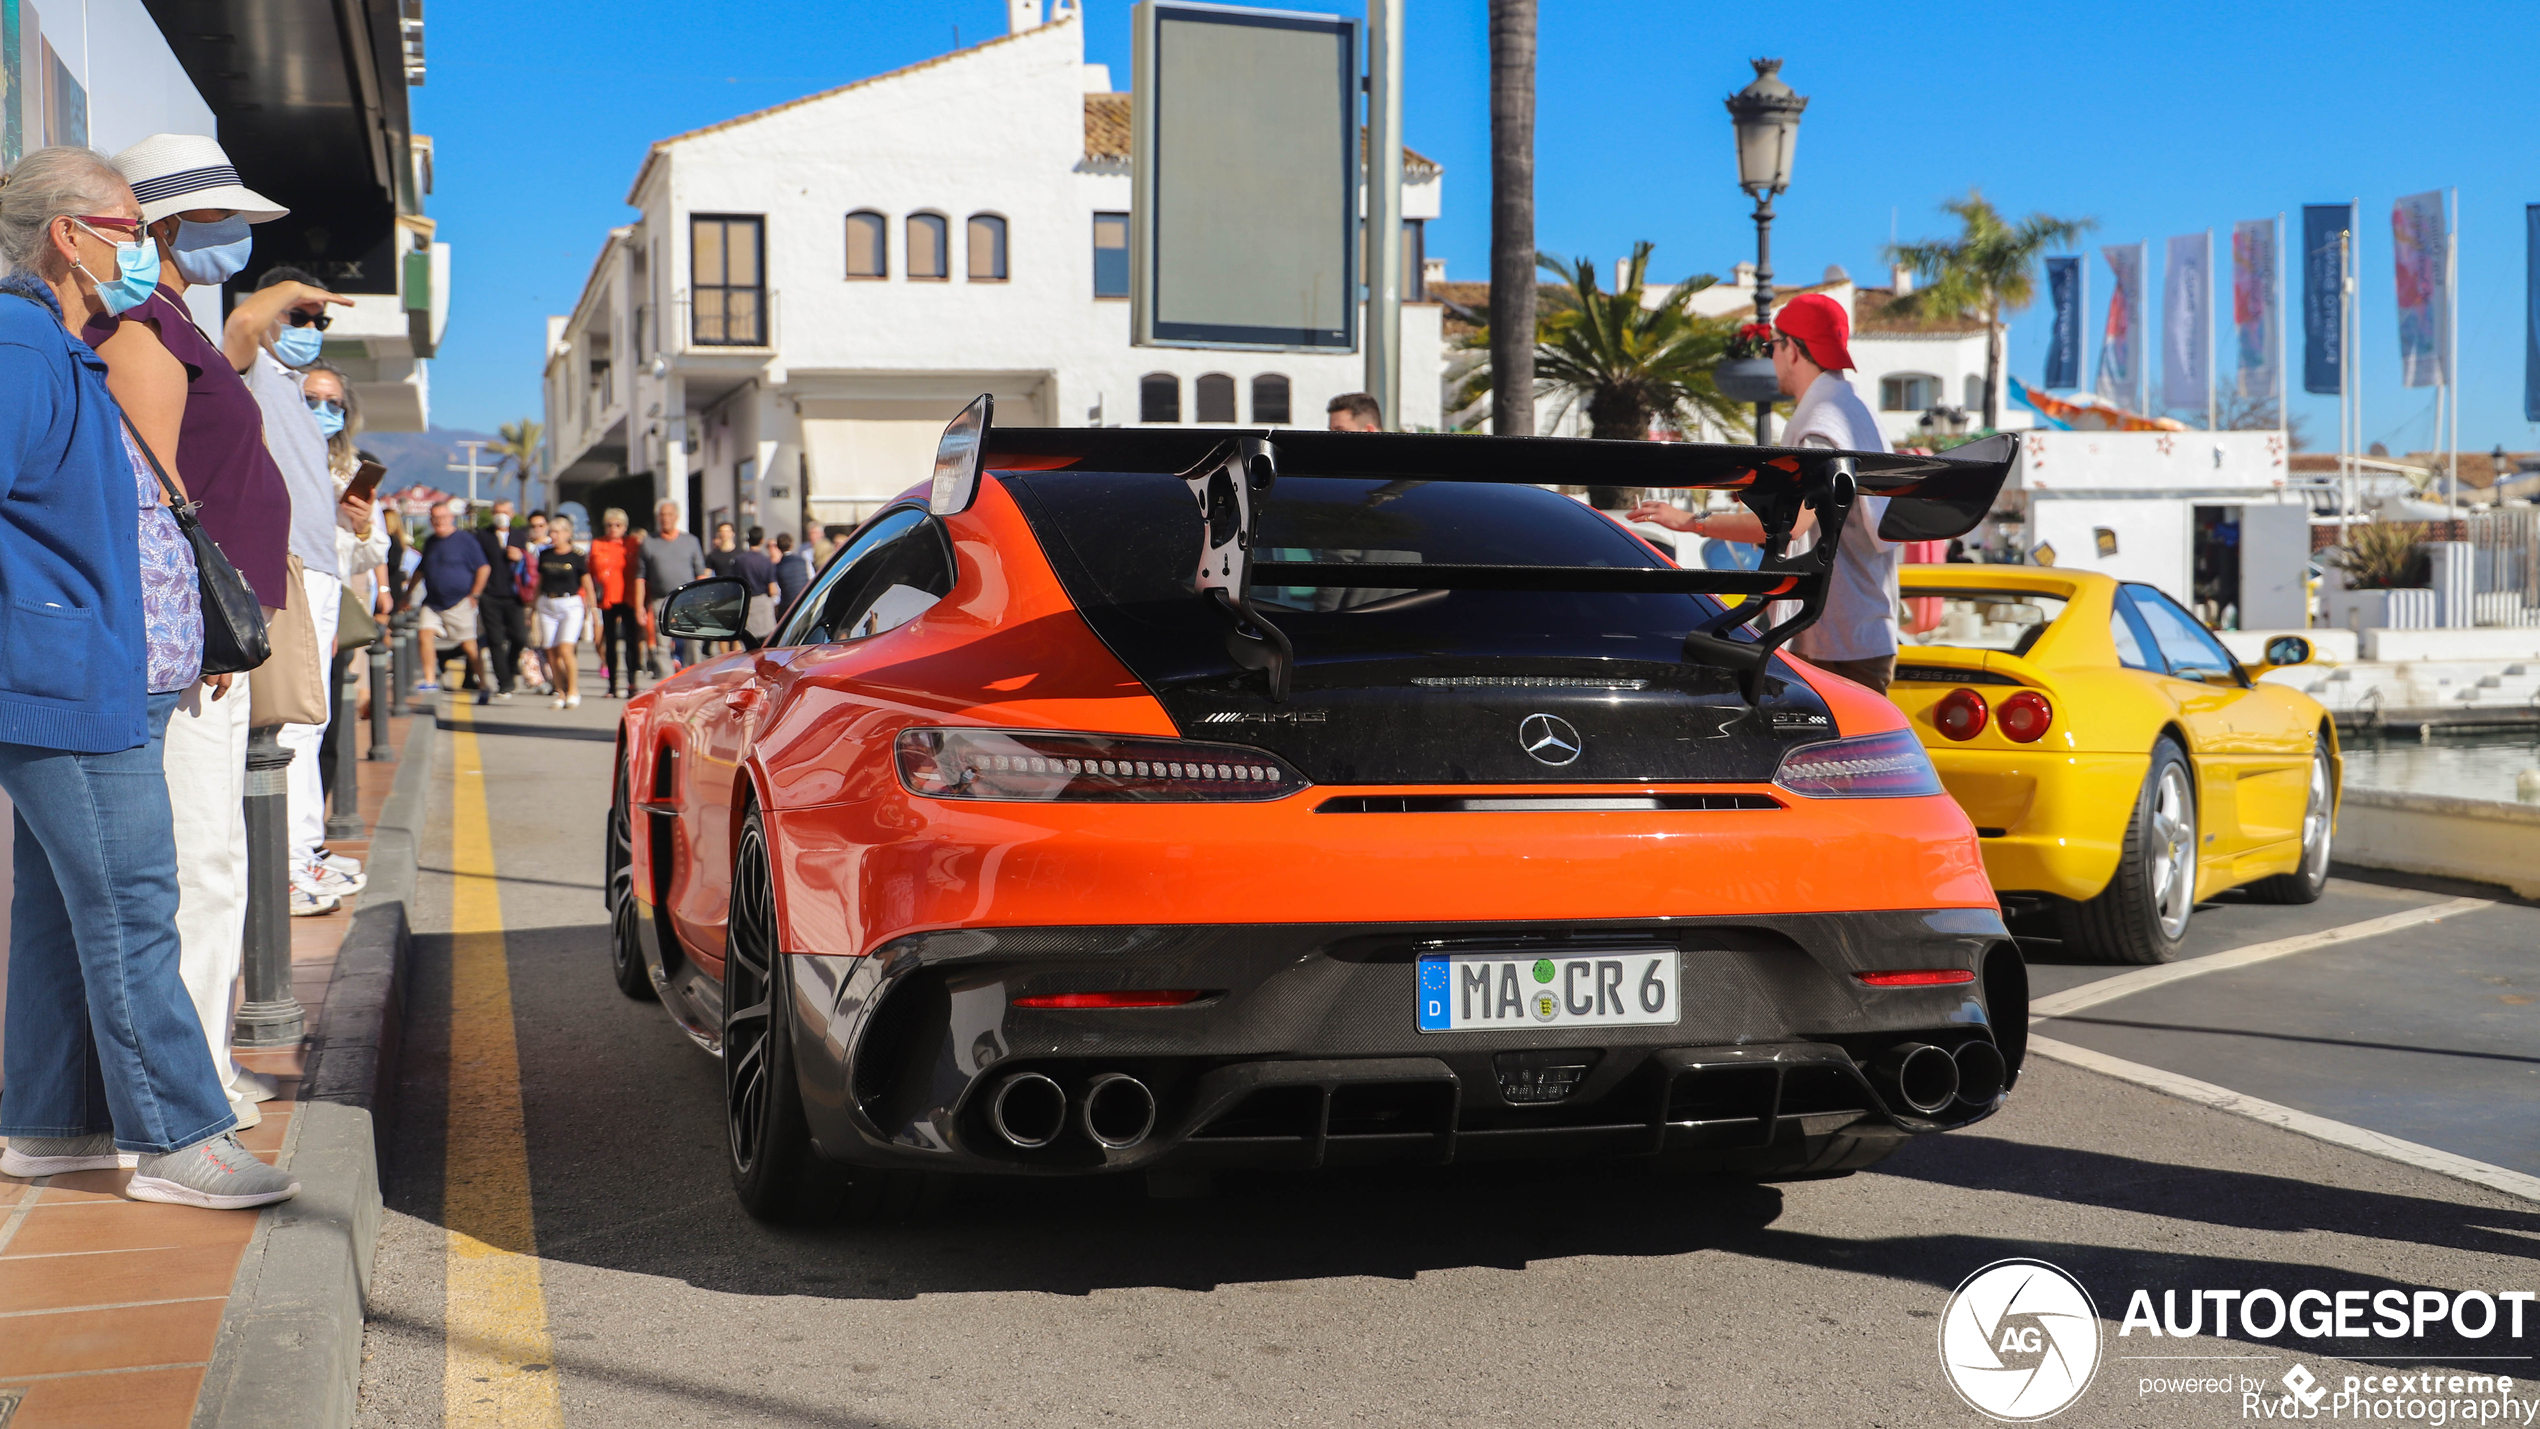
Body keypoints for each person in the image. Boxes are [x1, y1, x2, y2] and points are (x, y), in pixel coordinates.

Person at [0, 146, 298, 1207]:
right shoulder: (24, 347)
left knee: (53, 906)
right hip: (69, 676)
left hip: (97, 669)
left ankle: (45, 1122)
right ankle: (180, 1138)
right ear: (66, 236)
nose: (144, 246)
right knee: (134, 896)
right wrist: (39, 616)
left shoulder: (52, 341)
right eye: (126, 226)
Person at [86, 135, 338, 1121]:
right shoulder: (145, 323)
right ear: (167, 224)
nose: (235, 236)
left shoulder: (167, 316)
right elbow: (155, 489)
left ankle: (192, 1069)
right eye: (220, 218)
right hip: (193, 642)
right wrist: (193, 617)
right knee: (199, 859)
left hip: (210, 636)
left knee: (212, 855)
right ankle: (186, 1089)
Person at [1627, 292, 1902, 694]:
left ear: (1792, 349)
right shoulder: (1850, 409)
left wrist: (1690, 522)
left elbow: (1793, 524)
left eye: (1772, 345)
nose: (1771, 356)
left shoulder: (1822, 423)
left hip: (1836, 641)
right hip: (1854, 631)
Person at [235, 266, 369, 909]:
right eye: (301, 316)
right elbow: (244, 324)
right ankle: (284, 869)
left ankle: (303, 854)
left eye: (320, 320)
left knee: (308, 725)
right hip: (287, 567)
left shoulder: (289, 387)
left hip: (315, 571)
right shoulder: (257, 368)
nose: (311, 329)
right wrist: (286, 294)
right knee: (286, 725)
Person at [406, 501, 490, 698]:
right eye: (435, 518)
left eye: (442, 518)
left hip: (459, 602)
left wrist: (475, 593)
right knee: (424, 634)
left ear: (451, 518)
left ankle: (484, 684)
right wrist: (407, 593)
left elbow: (483, 567)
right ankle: (430, 679)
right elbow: (421, 569)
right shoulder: (431, 542)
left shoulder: (465, 540)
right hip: (433, 602)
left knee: (470, 647)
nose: (439, 522)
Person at [535, 514, 598, 709]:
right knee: (551, 651)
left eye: (556, 531)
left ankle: (573, 690)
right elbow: (539, 581)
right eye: (551, 531)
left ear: (567, 534)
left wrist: (594, 609)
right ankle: (560, 691)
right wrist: (532, 607)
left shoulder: (577, 556)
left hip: (570, 603)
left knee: (565, 649)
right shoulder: (545, 554)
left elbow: (587, 584)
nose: (552, 535)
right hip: (547, 603)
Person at [472, 498, 530, 702]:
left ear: (512, 514)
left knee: (520, 637)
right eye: (497, 511)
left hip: (515, 595)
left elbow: (531, 563)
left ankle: (511, 665)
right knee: (495, 640)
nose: (501, 515)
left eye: (505, 511)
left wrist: (521, 556)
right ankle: (504, 682)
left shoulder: (520, 535)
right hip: (490, 595)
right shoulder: (482, 536)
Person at [640, 500, 706, 674]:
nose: (665, 518)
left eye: (669, 514)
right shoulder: (649, 542)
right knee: (661, 645)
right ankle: (666, 679)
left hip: (689, 599)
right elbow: (640, 577)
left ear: (676, 517)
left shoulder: (691, 541)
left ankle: (692, 675)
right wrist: (640, 606)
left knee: (693, 640)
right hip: (661, 599)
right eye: (662, 515)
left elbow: (700, 573)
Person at [590, 508, 643, 697]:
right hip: (608, 598)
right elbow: (592, 570)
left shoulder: (633, 544)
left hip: (629, 596)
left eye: (618, 525)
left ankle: (632, 683)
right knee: (610, 642)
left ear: (625, 527)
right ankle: (612, 685)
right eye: (609, 525)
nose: (613, 528)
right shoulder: (598, 544)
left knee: (631, 642)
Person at [735, 523, 781, 642]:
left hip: (746, 604)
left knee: (746, 641)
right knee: (766, 642)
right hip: (763, 603)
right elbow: (772, 589)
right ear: (762, 540)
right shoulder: (766, 561)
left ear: (748, 540)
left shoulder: (739, 560)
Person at [773, 530, 812, 608]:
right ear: (792, 544)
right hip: (805, 602)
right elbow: (812, 578)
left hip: (787, 605)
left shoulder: (777, 567)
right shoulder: (804, 561)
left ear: (778, 547)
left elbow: (776, 592)